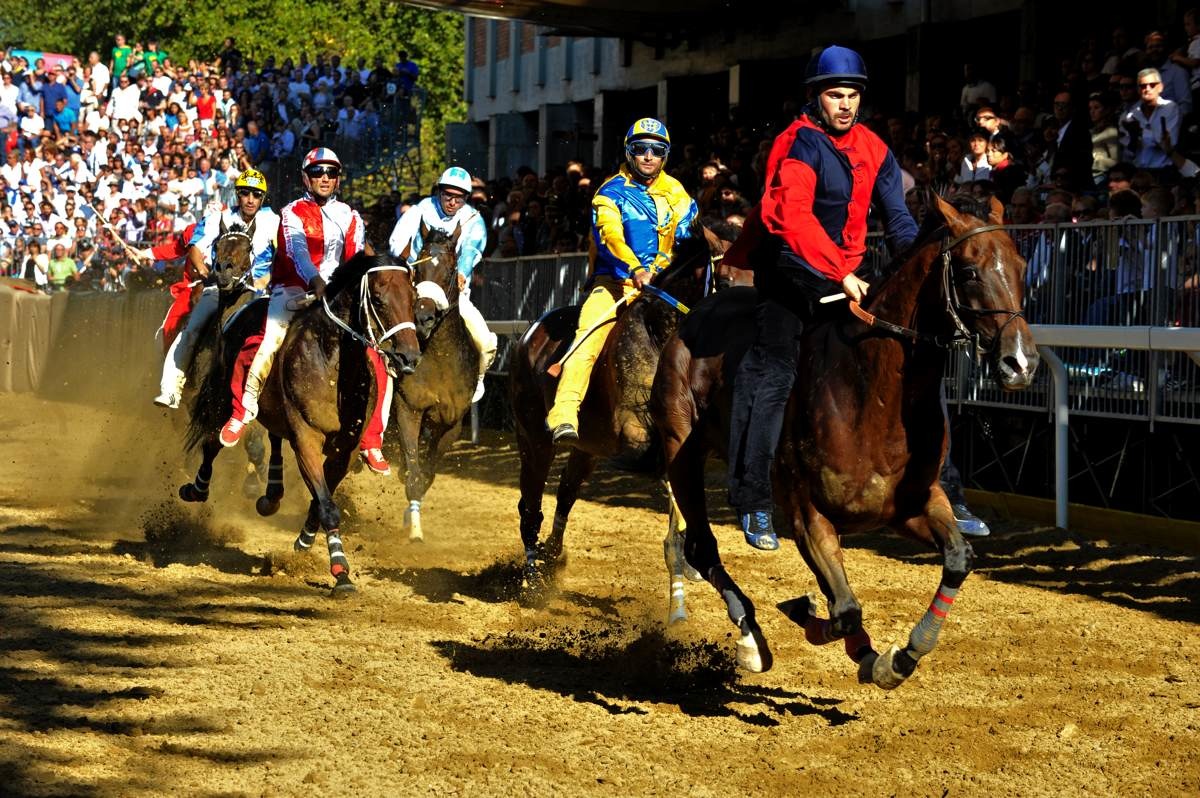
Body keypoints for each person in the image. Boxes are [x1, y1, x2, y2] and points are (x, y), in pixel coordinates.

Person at [723, 45, 918, 551]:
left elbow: (896, 216)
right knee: (775, 369)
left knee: (904, 353)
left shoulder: (875, 147)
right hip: (788, 268)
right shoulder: (797, 143)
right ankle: (754, 501)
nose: (846, 104)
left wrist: (917, 260)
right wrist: (840, 274)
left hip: (844, 271)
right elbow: (793, 221)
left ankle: (944, 489)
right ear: (815, 97)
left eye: (853, 95)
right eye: (836, 95)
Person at [217, 149, 391, 476]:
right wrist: (316, 281)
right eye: (317, 172)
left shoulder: (351, 216)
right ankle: (243, 410)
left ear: (338, 178)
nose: (324, 178)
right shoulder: (291, 213)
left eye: (330, 173)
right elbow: (297, 252)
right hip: (295, 289)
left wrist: (342, 288)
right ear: (305, 177)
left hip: (337, 297)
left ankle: (371, 439)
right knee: (268, 342)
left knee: (378, 358)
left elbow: (354, 258)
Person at [545, 117, 697, 443]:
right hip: (616, 284)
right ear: (629, 152)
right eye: (640, 149)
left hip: (666, 286)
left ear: (664, 156)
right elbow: (609, 236)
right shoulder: (609, 192)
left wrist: (657, 268)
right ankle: (564, 412)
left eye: (657, 150)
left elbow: (683, 233)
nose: (648, 156)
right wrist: (635, 269)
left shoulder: (677, 191)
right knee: (587, 334)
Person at [151, 168, 279, 409]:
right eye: (245, 193)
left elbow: (284, 252)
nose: (250, 199)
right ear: (237, 195)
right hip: (219, 289)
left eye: (256, 194)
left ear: (262, 198)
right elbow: (196, 249)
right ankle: (170, 389)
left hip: (259, 292)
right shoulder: (216, 218)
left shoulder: (274, 221)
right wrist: (205, 272)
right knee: (191, 329)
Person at [387, 166, 495, 404]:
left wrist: (462, 273)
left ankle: (475, 379)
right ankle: (386, 378)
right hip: (414, 291)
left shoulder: (473, 219)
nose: (452, 202)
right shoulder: (420, 210)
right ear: (439, 192)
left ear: (466, 198)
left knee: (486, 342)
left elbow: (472, 250)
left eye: (459, 197)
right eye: (447, 195)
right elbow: (397, 241)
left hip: (454, 295)